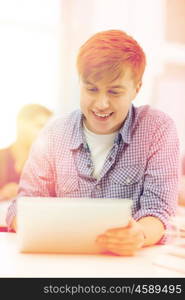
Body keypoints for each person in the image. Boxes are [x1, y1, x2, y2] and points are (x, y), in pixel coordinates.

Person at [6, 30, 179, 256]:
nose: (102, 103)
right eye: (92, 89)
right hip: (61, 263)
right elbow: (22, 205)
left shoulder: (157, 129)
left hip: (131, 264)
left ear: (137, 88)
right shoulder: (53, 134)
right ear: (79, 83)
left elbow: (159, 211)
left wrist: (141, 234)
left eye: (115, 92)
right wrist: (31, 226)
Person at [0, 104, 53, 229]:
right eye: (40, 126)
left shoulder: (48, 163)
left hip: (32, 228)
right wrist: (3, 193)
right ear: (21, 125)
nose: (45, 132)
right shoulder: (1, 157)